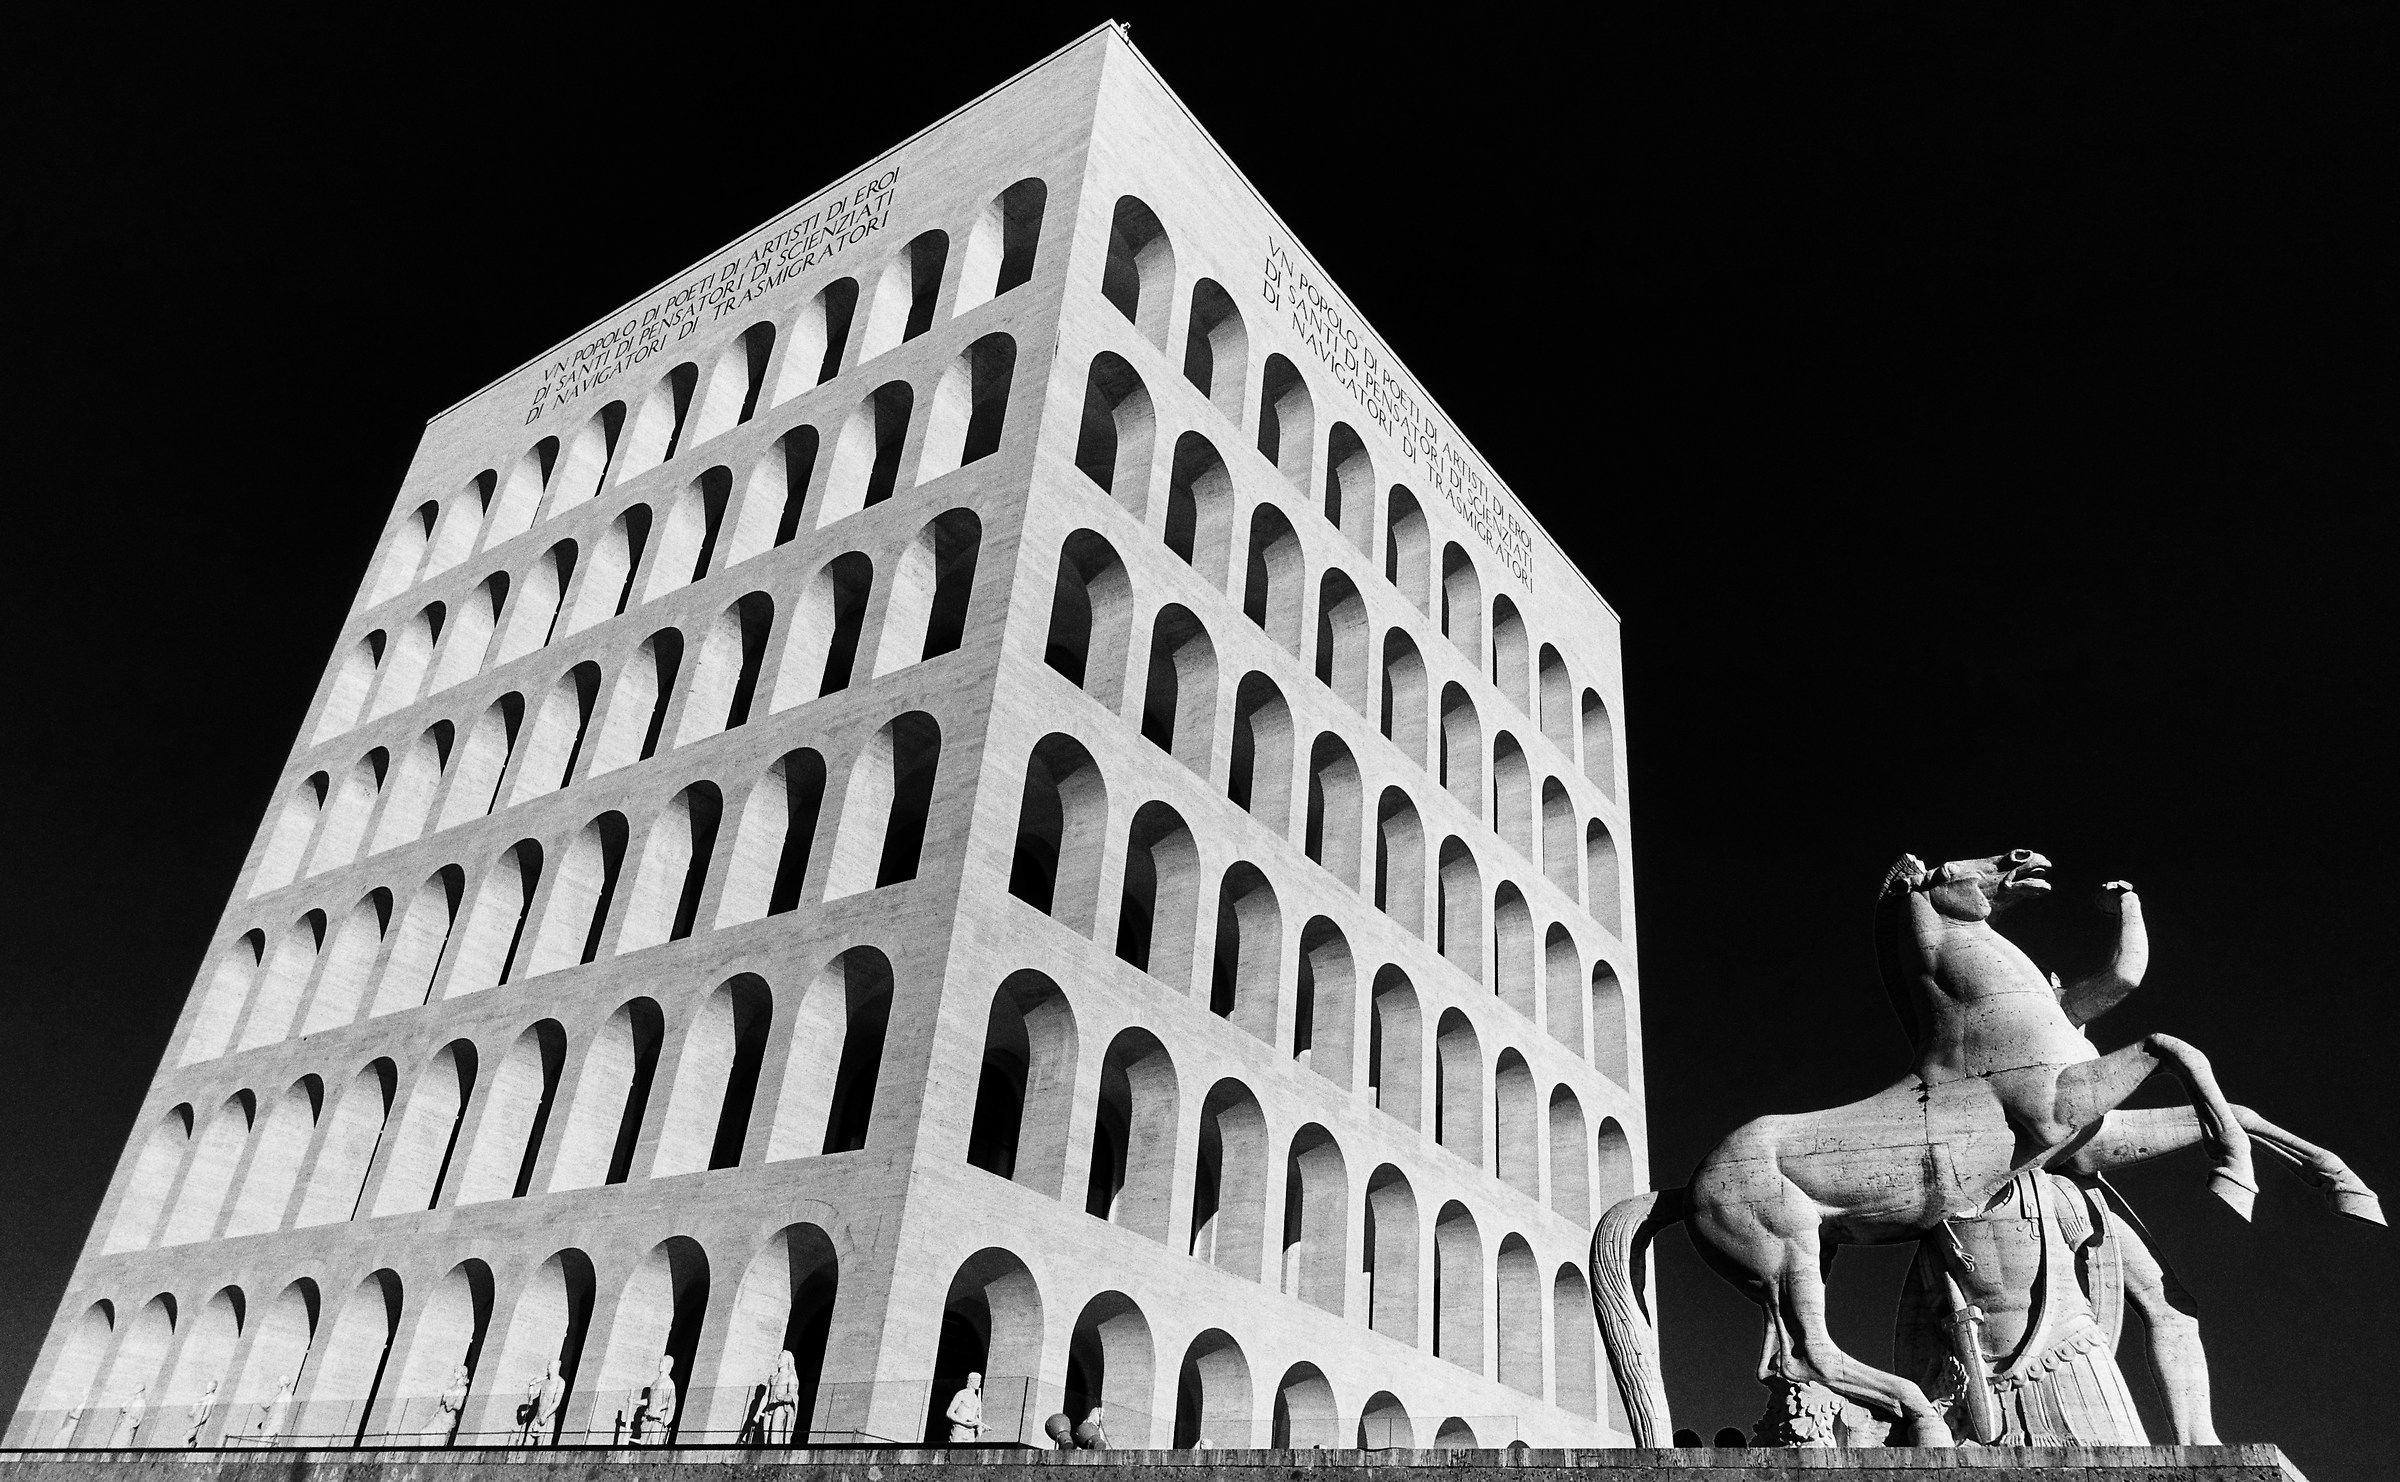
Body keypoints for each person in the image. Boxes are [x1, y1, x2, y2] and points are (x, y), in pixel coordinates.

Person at [759, 1350, 800, 1444]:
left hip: (780, 1407)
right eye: (778, 1358)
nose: (778, 1361)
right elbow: (766, 1396)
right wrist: (758, 1413)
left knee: (775, 1434)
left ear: (787, 1361)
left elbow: (793, 1395)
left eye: (780, 1359)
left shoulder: (790, 1376)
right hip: (769, 1407)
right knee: (765, 1436)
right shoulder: (773, 1376)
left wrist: (785, 1397)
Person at [943, 1371, 985, 1444]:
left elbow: (975, 1417)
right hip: (959, 1431)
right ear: (971, 1381)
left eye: (980, 1381)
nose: (979, 1383)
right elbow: (949, 1413)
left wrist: (982, 1425)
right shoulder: (961, 1394)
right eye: (977, 1380)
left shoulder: (976, 1398)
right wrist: (964, 1423)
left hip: (970, 1433)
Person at [433, 1365, 471, 1445]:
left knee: (439, 1437)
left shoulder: (463, 1388)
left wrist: (449, 1405)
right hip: (441, 1412)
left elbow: (459, 1405)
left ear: (462, 1374)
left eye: (457, 1371)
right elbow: (443, 1400)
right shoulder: (452, 1386)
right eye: (455, 1371)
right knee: (426, 1431)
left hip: (449, 1414)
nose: (455, 1373)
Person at [255, 1376, 294, 1446]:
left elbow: (288, 1409)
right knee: (263, 1443)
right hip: (271, 1422)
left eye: (279, 1381)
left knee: (266, 1442)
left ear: (283, 1382)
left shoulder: (288, 1395)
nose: (278, 1383)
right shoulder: (278, 1395)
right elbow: (270, 1408)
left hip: (278, 1423)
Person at [184, 1381, 218, 1446]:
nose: (208, 1387)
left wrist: (197, 1424)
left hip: (198, 1423)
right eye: (208, 1385)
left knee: (185, 1438)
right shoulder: (206, 1397)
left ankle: (185, 1455)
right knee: (189, 1440)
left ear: (214, 1388)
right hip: (195, 1421)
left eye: (210, 1386)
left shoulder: (211, 1398)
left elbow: (207, 1414)